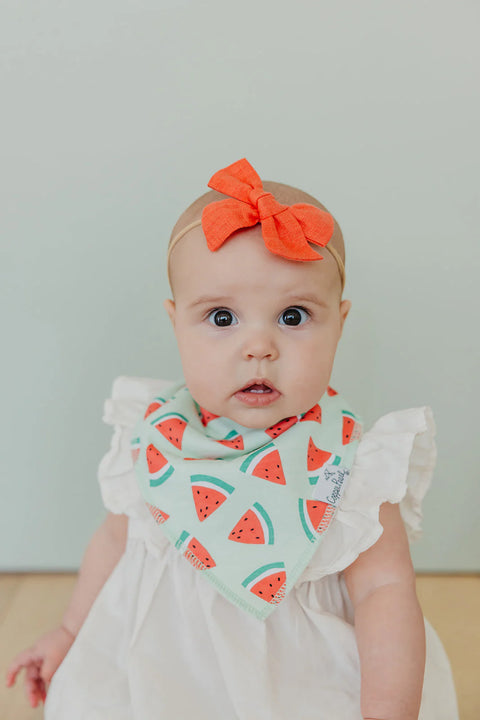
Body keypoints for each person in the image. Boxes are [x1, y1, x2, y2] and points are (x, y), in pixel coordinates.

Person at [6, 158, 459, 719]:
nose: (259, 347)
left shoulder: (353, 468)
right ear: (176, 323)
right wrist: (69, 631)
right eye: (222, 318)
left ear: (340, 323)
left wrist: (387, 711)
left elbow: (383, 592)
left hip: (302, 687)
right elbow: (114, 544)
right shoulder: (153, 437)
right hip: (159, 680)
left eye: (293, 316)